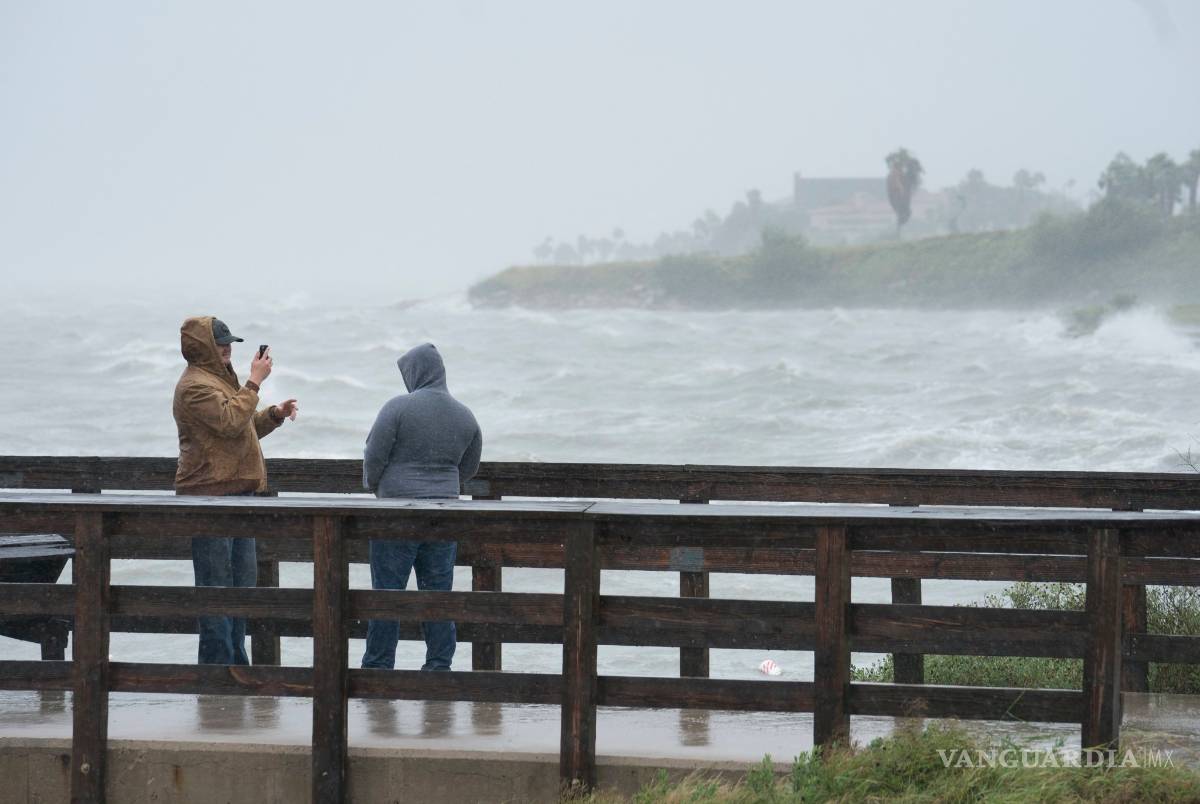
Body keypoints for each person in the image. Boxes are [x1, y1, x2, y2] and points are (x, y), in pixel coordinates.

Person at [173, 316, 299, 664]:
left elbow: (241, 428)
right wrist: (254, 381)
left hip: (238, 496)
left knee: (241, 587)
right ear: (204, 347)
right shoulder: (194, 387)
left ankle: (236, 667)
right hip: (211, 498)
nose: (228, 347)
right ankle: (217, 671)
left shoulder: (220, 381)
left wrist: (273, 414)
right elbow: (229, 423)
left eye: (229, 341)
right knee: (216, 589)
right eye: (221, 342)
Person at [362, 343, 482, 671]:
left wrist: (377, 487)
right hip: (444, 514)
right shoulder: (464, 414)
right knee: (438, 596)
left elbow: (374, 456)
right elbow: (469, 468)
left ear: (414, 373)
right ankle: (439, 667)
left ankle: (378, 668)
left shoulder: (397, 408)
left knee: (388, 595)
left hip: (395, 515)